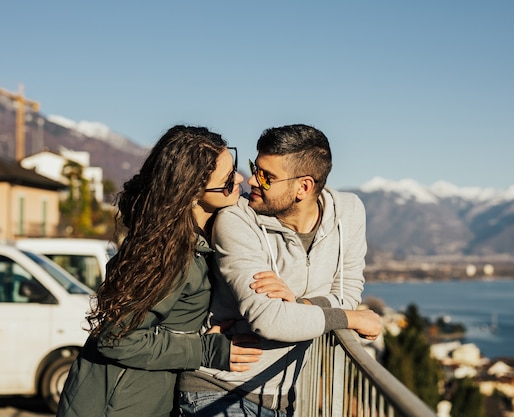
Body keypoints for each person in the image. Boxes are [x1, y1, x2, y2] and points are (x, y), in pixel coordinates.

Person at [56, 125, 262, 417]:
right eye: (228, 179)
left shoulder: (193, 240)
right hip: (115, 405)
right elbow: (117, 338)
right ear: (191, 192)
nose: (239, 179)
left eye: (234, 168)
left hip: (139, 397)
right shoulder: (166, 252)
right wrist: (203, 349)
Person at [178, 124, 381, 417]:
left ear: (304, 187)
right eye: (254, 168)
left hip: (282, 398)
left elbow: (347, 293)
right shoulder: (235, 220)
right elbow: (270, 322)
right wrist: (350, 319)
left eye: (267, 176)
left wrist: (299, 305)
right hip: (218, 389)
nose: (252, 181)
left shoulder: (348, 212)